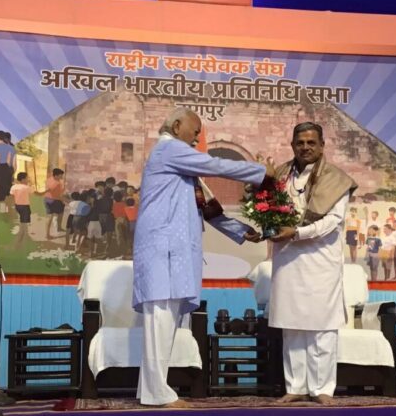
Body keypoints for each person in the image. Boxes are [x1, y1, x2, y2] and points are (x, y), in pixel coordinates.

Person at [133, 108, 268, 408]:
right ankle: (158, 394)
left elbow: (207, 206)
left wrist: (240, 231)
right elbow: (216, 165)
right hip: (163, 249)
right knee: (160, 320)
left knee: (165, 322)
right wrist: (262, 173)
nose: (197, 138)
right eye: (195, 132)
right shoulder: (169, 149)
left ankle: (150, 390)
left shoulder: (181, 161)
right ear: (176, 126)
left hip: (173, 252)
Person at [268, 121, 357, 405]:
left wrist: (297, 232)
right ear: (292, 145)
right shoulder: (280, 174)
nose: (305, 147)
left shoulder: (336, 179)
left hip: (320, 261)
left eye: (311, 142)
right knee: (291, 325)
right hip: (288, 259)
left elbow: (333, 221)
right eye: (300, 143)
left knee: (322, 326)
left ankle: (322, 388)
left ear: (321, 145)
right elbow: (265, 207)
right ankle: (295, 386)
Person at [0, 131, 15, 213]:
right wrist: (11, 170)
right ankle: (9, 207)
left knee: (0, 186)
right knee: (7, 186)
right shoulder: (10, 147)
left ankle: (2, 207)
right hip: (8, 168)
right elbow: (11, 160)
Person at [10, 172, 35, 250]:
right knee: (24, 227)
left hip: (18, 206)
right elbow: (33, 191)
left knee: (23, 225)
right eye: (27, 178)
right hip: (25, 207)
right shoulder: (26, 187)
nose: (28, 179)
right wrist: (31, 183)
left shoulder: (14, 187)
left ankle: (21, 244)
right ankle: (19, 245)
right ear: (23, 179)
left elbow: (12, 195)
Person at [44, 168, 67, 239]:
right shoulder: (57, 183)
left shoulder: (49, 179)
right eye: (60, 175)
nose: (62, 176)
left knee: (60, 213)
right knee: (51, 217)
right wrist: (64, 201)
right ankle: (47, 234)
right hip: (54, 200)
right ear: (56, 175)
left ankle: (58, 228)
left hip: (47, 199)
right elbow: (58, 195)